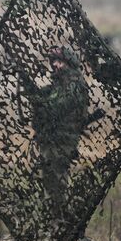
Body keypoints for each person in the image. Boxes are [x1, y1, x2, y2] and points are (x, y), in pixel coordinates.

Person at [19, 46, 89, 215]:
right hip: (51, 140)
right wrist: (27, 82)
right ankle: (54, 219)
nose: (55, 65)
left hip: (63, 141)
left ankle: (61, 220)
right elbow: (41, 97)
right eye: (53, 62)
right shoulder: (59, 85)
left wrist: (39, 103)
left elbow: (54, 108)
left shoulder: (75, 84)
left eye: (59, 61)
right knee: (50, 183)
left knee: (58, 183)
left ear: (69, 63)